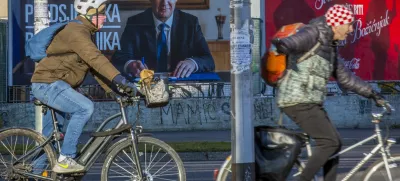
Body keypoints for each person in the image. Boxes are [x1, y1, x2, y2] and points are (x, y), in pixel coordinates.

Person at [271, 4, 388, 181]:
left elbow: (346, 78)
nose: (350, 29)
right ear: (336, 24)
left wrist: (372, 93)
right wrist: (284, 45)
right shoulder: (314, 33)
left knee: (335, 143)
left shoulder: (330, 47)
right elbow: (296, 41)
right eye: (349, 24)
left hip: (310, 101)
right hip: (297, 99)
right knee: (329, 142)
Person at [30, 0, 137, 173]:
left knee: (50, 139)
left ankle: (33, 174)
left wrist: (114, 91)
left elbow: (94, 68)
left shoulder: (86, 32)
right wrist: (122, 80)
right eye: (101, 13)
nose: (105, 17)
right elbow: (97, 60)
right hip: (47, 84)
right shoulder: (76, 31)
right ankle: (66, 159)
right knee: (85, 108)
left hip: (57, 85)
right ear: (90, 13)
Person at [112, 0, 215, 79]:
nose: (164, 3)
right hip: (146, 88)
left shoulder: (190, 23)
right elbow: (118, 59)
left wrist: (193, 63)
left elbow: (208, 60)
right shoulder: (135, 23)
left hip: (181, 87)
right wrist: (130, 64)